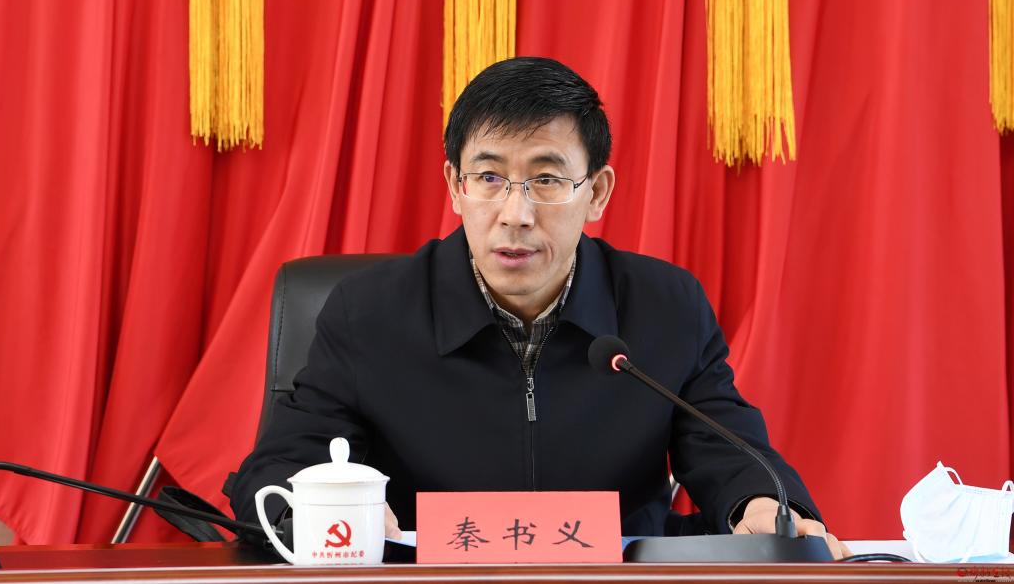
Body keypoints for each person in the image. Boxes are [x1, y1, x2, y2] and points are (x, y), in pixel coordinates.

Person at [230, 56, 848, 558]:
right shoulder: (370, 312)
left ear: (597, 192)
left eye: (547, 180)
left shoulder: (664, 306)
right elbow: (283, 465)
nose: (515, 214)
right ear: (455, 187)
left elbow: (727, 446)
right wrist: (319, 516)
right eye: (489, 177)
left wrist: (762, 505)